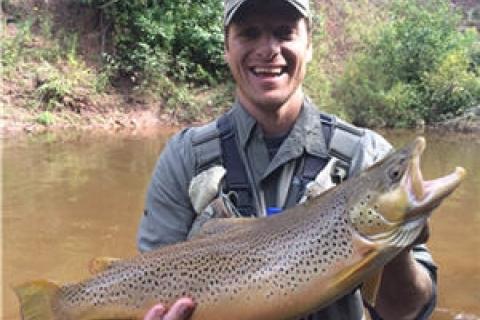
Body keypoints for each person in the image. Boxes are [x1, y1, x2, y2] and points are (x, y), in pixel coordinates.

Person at [137, 0, 438, 319]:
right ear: (226, 47)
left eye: (284, 32)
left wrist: (396, 247)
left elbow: (406, 312)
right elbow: (146, 281)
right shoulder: (185, 157)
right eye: (250, 33)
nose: (268, 50)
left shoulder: (366, 156)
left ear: (309, 44)